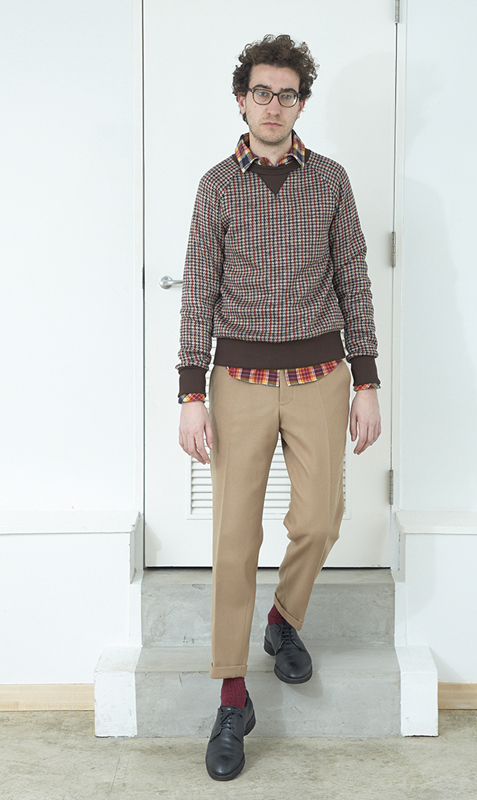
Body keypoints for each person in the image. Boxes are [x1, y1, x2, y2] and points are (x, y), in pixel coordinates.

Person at [177, 33, 381, 781]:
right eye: (261, 92)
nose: (273, 105)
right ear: (242, 100)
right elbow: (198, 291)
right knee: (234, 538)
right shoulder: (215, 187)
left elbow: (353, 277)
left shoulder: (331, 181)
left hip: (323, 375)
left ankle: (284, 617)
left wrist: (367, 381)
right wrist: (191, 392)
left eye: (286, 94)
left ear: (300, 104)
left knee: (320, 519)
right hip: (238, 383)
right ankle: (233, 696)